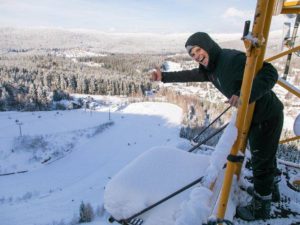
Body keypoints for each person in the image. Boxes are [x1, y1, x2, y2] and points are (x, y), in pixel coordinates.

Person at [151, 32, 284, 221]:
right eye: (192, 54)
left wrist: (245, 95)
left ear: (208, 45)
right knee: (263, 154)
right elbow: (189, 74)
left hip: (266, 115)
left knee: (261, 160)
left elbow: (270, 72)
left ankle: (262, 207)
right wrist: (163, 76)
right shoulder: (210, 68)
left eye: (198, 50)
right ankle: (271, 191)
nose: (196, 56)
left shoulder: (230, 59)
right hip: (253, 117)